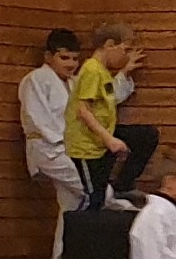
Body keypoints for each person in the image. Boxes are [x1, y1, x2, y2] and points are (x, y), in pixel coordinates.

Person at [65, 23, 159, 210]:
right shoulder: (92, 70)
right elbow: (83, 110)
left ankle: (123, 184)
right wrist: (109, 139)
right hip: (87, 147)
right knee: (93, 198)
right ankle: (81, 227)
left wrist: (124, 71)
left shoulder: (103, 72)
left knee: (145, 136)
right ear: (109, 45)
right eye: (125, 50)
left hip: (101, 140)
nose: (126, 56)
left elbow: (110, 99)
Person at [18, 28, 84, 259]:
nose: (71, 64)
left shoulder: (76, 83)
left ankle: (61, 258)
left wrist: (124, 76)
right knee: (94, 190)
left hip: (70, 148)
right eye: (64, 57)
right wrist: (62, 142)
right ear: (48, 56)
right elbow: (37, 117)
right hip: (48, 147)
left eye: (75, 59)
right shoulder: (36, 79)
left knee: (71, 203)